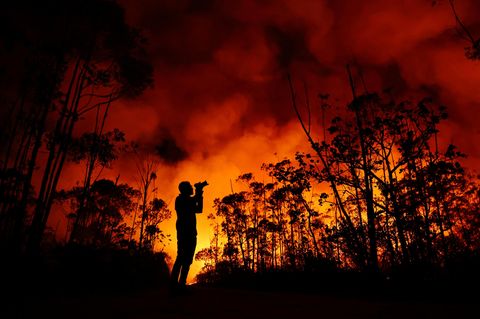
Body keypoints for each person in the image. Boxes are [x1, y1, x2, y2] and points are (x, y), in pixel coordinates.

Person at [170, 180, 207, 292]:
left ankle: (180, 285)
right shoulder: (181, 199)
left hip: (190, 233)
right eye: (190, 187)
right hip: (184, 233)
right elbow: (193, 201)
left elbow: (199, 209)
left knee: (187, 260)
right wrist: (199, 190)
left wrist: (199, 192)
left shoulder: (186, 200)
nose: (192, 188)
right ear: (185, 189)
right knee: (181, 258)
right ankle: (175, 285)